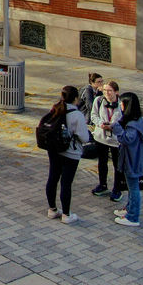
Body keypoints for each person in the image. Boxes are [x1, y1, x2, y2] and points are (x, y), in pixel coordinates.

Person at [44, 85, 88, 224]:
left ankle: (52, 209)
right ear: (75, 99)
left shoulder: (55, 109)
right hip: (70, 152)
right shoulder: (77, 115)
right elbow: (84, 138)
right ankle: (67, 214)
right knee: (66, 183)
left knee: (53, 178)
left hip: (54, 150)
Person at [102, 92, 143, 227]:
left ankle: (133, 217)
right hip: (132, 159)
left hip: (132, 161)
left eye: (122, 103)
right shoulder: (135, 120)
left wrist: (116, 128)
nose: (120, 105)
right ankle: (128, 210)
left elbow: (126, 139)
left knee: (133, 188)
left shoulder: (133, 124)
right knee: (131, 187)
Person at [90, 80, 124, 201]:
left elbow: (124, 121)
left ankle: (117, 188)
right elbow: (93, 115)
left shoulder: (122, 104)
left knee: (117, 165)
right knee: (102, 162)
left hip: (116, 140)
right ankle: (102, 184)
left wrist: (113, 126)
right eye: (105, 90)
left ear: (116, 92)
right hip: (101, 137)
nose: (107, 93)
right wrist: (101, 124)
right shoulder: (98, 100)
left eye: (110, 90)